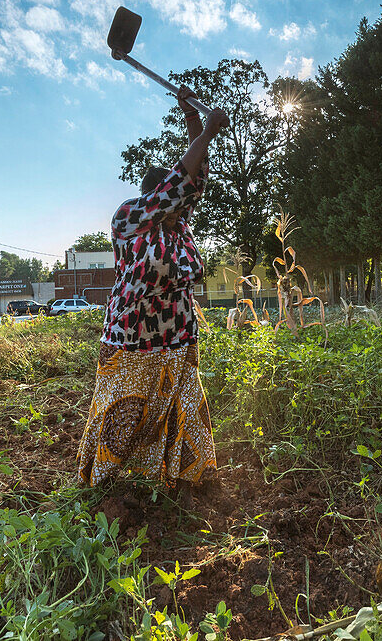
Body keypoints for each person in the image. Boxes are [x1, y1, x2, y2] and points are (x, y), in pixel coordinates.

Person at [77, 87, 229, 489]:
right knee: (124, 416)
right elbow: (180, 184)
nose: (185, 205)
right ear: (152, 197)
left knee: (184, 409)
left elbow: (192, 182)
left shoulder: (178, 225)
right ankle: (105, 485)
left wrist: (194, 119)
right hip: (132, 340)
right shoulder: (129, 218)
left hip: (177, 337)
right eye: (174, 200)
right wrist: (206, 134)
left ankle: (187, 479)